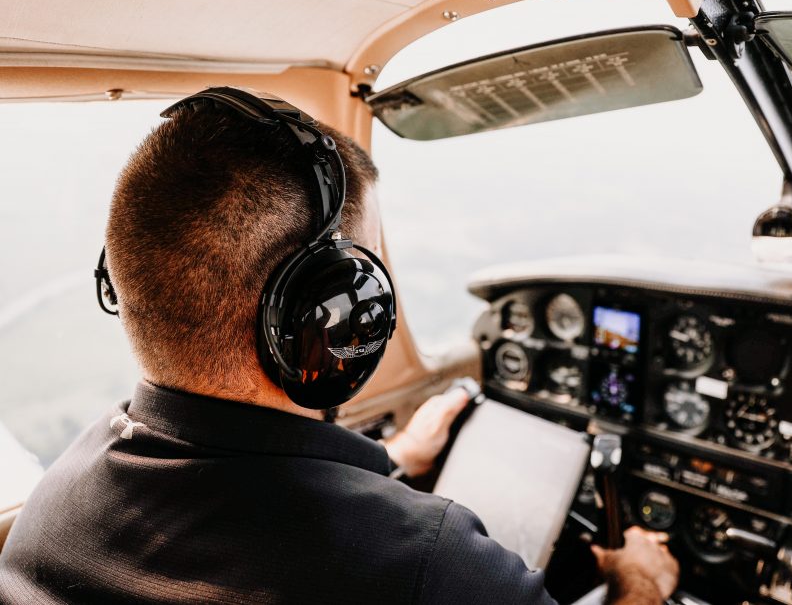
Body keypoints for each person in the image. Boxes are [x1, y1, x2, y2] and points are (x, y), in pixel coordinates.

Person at [0, 91, 679, 604]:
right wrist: (636, 580)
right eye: (374, 267)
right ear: (330, 315)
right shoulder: (427, 564)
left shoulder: (54, 504)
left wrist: (395, 463)